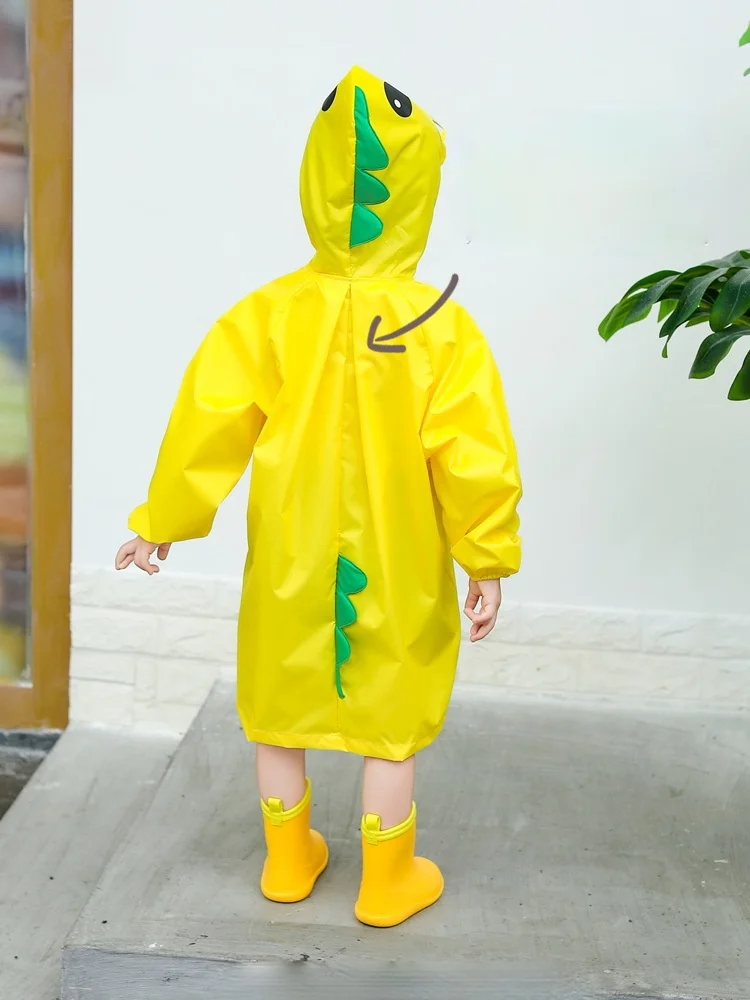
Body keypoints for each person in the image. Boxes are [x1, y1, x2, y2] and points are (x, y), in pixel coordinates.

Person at [116, 65, 522, 928]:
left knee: (279, 701)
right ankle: (388, 879)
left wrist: (163, 521)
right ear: (415, 191)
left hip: (290, 547)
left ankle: (287, 859)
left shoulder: (267, 314)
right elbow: (473, 455)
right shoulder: (439, 327)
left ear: (316, 180)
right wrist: (486, 558)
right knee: (393, 714)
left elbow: (209, 423)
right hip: (398, 554)